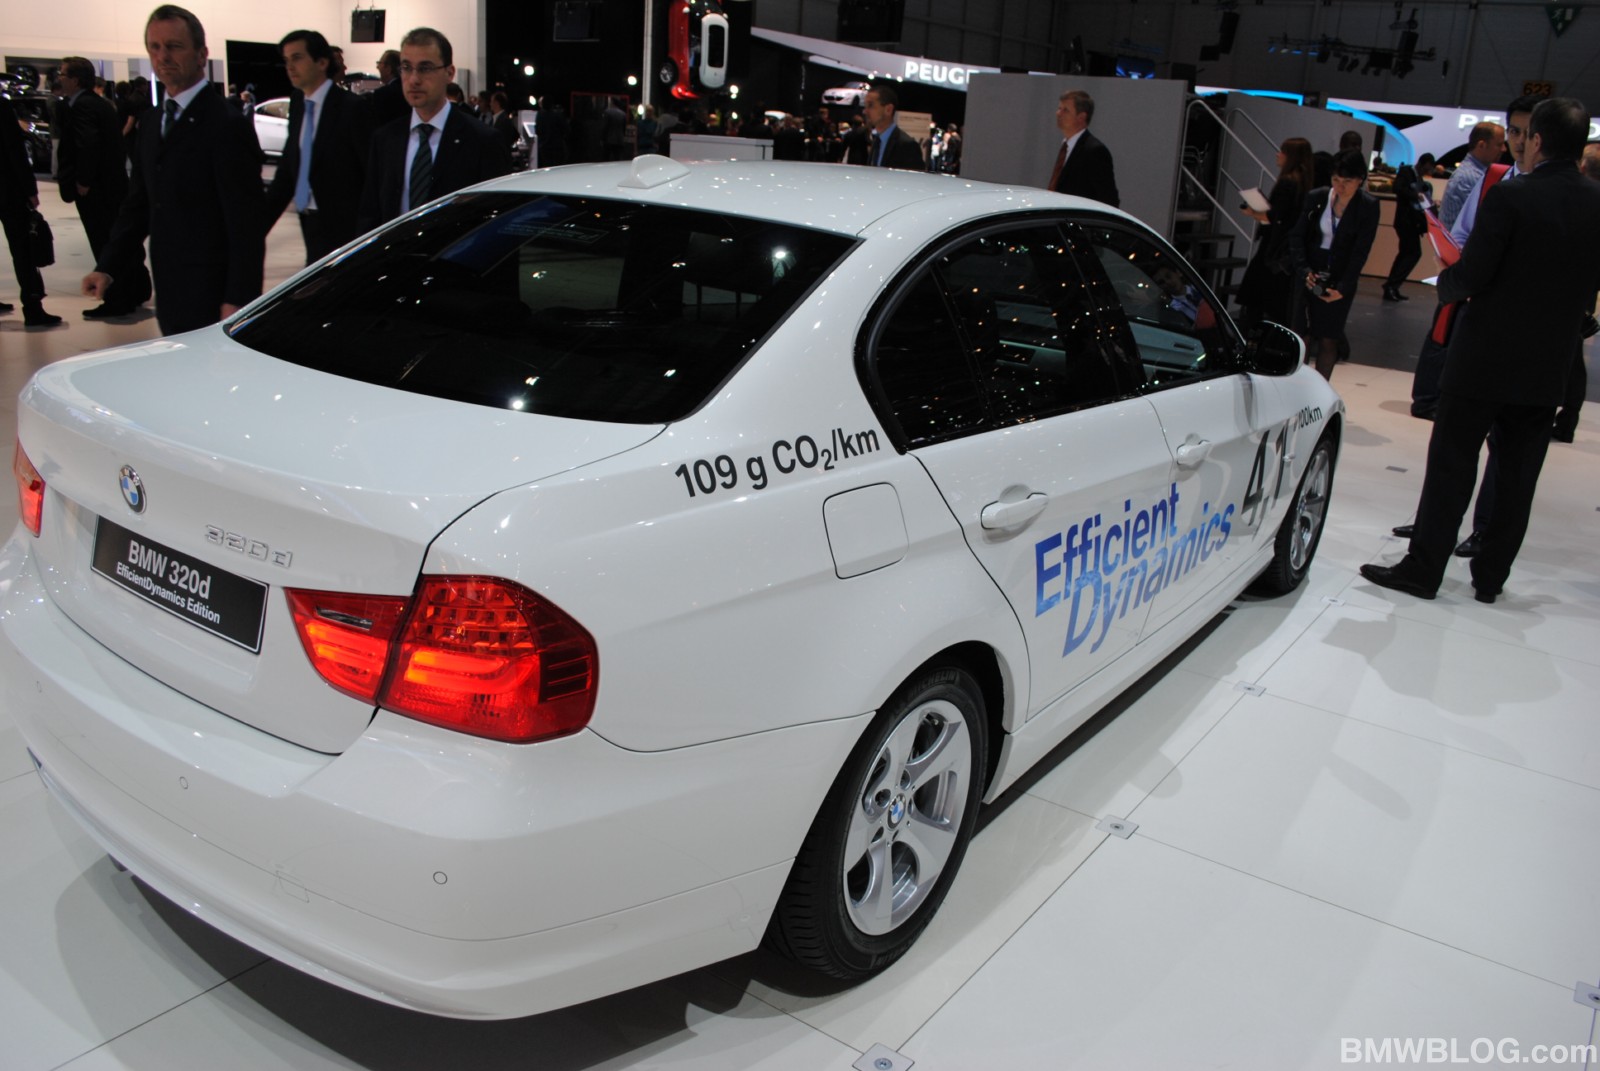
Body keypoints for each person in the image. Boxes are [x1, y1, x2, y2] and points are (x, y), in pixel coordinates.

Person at [1363, 98, 1600, 604]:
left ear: (1537, 140)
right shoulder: (1595, 202)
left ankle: (1423, 570)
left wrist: (1445, 282)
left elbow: (1474, 273)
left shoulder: (1513, 195)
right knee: (1517, 477)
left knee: (1452, 464)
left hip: (1483, 358)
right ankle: (1490, 579)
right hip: (1546, 365)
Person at [85, 5, 264, 336]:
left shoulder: (226, 124)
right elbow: (139, 205)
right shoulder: (153, 121)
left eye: (174, 46)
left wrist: (239, 298)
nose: (162, 56)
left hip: (214, 293)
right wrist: (107, 266)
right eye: (154, 47)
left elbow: (245, 225)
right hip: (169, 289)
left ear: (201, 54)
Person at [357, 27, 510, 231]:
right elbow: (370, 215)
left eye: (425, 68)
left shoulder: (482, 140)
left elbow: (496, 222)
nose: (414, 79)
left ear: (449, 73)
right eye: (406, 68)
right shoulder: (385, 139)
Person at [1409, 120, 1510, 420]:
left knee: (1444, 332)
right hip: (1458, 265)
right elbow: (1473, 228)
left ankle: (1429, 397)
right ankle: (1427, 399)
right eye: (1499, 143)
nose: (1503, 148)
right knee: (1442, 334)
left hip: (1458, 265)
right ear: (1481, 144)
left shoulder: (1477, 175)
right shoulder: (1472, 178)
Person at [263, 29, 374, 265]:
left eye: (297, 58)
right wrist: (258, 227)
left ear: (322, 62)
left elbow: (370, 174)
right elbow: (289, 167)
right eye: (286, 60)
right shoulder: (299, 103)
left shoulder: (351, 108)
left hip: (346, 225)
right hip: (309, 219)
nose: (290, 67)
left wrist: (366, 232)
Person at [57, 55, 151, 318]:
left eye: (62, 74)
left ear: (75, 80)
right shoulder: (101, 104)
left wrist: (83, 180)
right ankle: (136, 290)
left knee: (104, 240)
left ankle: (116, 298)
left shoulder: (82, 107)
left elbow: (88, 144)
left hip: (96, 189)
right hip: (113, 184)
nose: (59, 79)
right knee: (121, 239)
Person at [1287, 149, 1380, 379]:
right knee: (1301, 335)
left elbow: (1361, 251)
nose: (1341, 186)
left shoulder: (1368, 206)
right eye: (1336, 180)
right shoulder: (1317, 197)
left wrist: (1344, 287)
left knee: (1329, 338)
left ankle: (1321, 388)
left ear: (1360, 180)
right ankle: (1297, 387)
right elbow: (1297, 236)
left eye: (1347, 181)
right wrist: (1304, 270)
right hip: (1310, 270)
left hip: (1341, 274)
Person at [1235, 136, 1313, 328]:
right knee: (1276, 300)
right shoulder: (1304, 182)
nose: (1278, 155)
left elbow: (1275, 216)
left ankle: (1251, 333)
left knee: (1256, 294)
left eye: (1283, 152)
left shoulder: (1287, 182)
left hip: (1273, 247)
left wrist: (1252, 212)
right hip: (1286, 247)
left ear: (1290, 156)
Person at [0, 96, 61, 325]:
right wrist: (29, 189)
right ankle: (33, 306)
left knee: (22, 248)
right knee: (23, 250)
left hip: (7, 189)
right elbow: (14, 149)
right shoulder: (1, 106)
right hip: (7, 189)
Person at [1048, 89, 1118, 206]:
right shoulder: (1066, 147)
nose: (1058, 113)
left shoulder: (1095, 151)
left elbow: (1108, 199)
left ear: (1081, 117)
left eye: (1066, 110)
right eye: (1059, 108)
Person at [1381, 152, 1435, 302]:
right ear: (1422, 164)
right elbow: (1398, 188)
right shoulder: (1407, 172)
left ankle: (1392, 285)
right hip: (1405, 221)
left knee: (1407, 253)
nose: (1427, 171)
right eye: (1426, 168)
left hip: (1412, 222)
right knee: (1412, 253)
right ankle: (1392, 285)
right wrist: (1415, 195)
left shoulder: (1417, 177)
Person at [849, 84, 923, 170]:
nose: (865, 111)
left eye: (870, 105)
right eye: (865, 106)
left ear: (888, 109)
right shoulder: (875, 140)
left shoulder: (908, 147)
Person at [368, 49, 408, 127]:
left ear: (388, 69)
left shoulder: (382, 94)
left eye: (380, 63)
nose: (377, 67)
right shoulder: (408, 89)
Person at [601, 96, 627, 160]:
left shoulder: (607, 112)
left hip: (609, 140)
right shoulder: (623, 114)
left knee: (606, 158)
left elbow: (605, 127)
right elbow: (624, 128)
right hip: (619, 140)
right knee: (617, 158)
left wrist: (602, 138)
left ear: (612, 102)